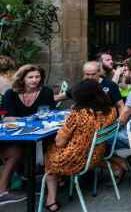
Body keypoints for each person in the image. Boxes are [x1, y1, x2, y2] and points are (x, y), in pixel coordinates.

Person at [41, 79, 117, 212]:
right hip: (95, 157)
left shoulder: (78, 114)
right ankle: (61, 180)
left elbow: (60, 142)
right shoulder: (111, 111)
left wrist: (62, 130)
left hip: (75, 160)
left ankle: (51, 199)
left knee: (49, 150)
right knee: (53, 147)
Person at [0, 64, 56, 205]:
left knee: (49, 145)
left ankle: (39, 180)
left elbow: (50, 114)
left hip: (39, 133)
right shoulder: (11, 94)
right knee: (17, 151)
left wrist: (26, 119)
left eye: (37, 77)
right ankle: (6, 190)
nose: (34, 80)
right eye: (30, 77)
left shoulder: (46, 92)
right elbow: (7, 118)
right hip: (13, 134)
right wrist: (32, 119)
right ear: (22, 79)